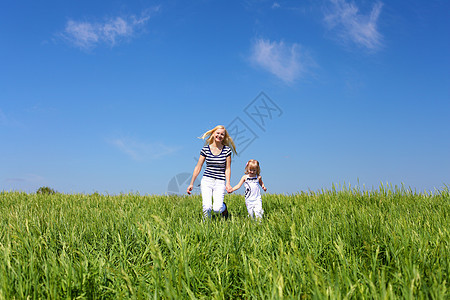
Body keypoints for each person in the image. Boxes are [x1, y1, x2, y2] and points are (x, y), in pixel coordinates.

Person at [187, 125, 237, 219]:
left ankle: (224, 208)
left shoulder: (227, 150)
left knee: (217, 209)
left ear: (224, 137)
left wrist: (228, 183)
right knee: (207, 207)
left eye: (222, 134)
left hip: (220, 181)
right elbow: (199, 166)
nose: (219, 135)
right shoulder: (205, 149)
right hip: (207, 181)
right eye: (217, 133)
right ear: (213, 134)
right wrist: (191, 183)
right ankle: (206, 228)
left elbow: (228, 168)